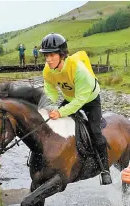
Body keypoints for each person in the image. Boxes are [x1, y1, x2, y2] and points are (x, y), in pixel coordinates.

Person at [39, 32, 112, 185]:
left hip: (89, 99)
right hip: (71, 97)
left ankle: (105, 169)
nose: (48, 59)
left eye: (52, 55)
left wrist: (60, 112)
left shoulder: (78, 70)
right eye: (46, 55)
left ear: (62, 55)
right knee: (55, 123)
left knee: (95, 131)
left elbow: (80, 101)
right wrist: (49, 107)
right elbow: (51, 91)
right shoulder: (47, 70)